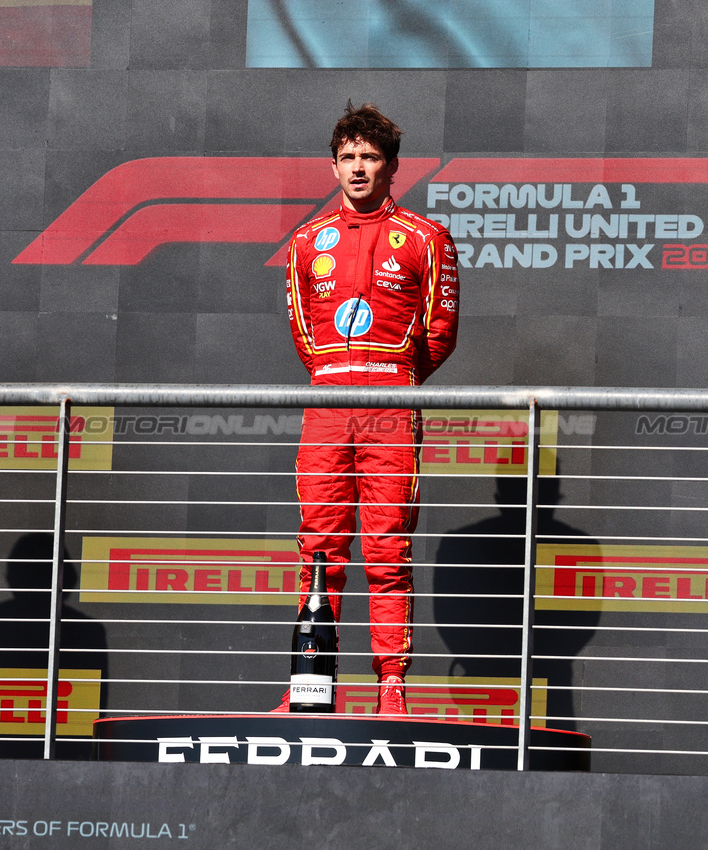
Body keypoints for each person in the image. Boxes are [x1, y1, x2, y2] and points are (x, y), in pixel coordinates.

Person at [280, 102, 459, 714]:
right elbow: (304, 335)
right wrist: (342, 376)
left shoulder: (426, 237)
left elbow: (440, 333)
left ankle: (392, 688)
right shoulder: (306, 243)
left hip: (390, 405)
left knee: (387, 548)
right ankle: (310, 685)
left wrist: (393, 377)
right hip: (326, 404)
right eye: (348, 158)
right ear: (333, 167)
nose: (358, 169)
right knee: (318, 547)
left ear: (392, 167)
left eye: (371, 158)